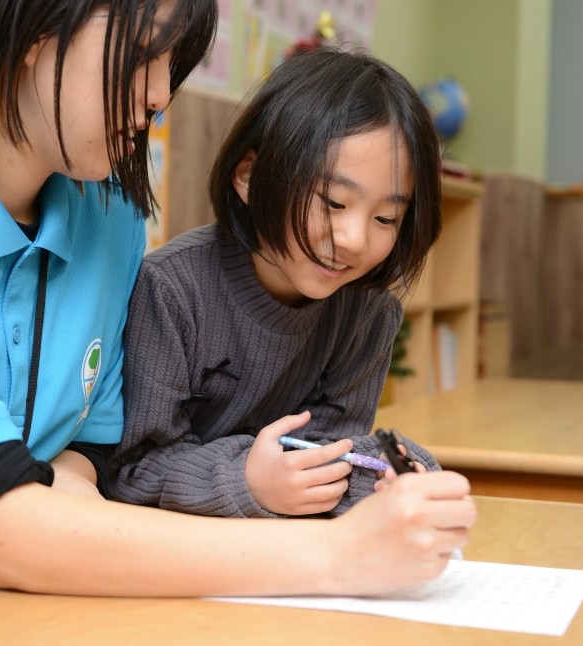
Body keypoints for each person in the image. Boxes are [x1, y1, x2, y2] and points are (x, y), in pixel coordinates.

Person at [0, 0, 475, 606]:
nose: (160, 94)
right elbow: (5, 529)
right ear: (28, 32)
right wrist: (341, 558)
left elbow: (84, 460)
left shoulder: (106, 221)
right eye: (142, 56)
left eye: (174, 64)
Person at [112, 47, 446, 519]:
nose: (353, 239)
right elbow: (132, 470)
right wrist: (248, 480)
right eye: (332, 202)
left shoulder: (368, 314)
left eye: (386, 217)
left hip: (283, 557)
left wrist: (379, 481)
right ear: (249, 176)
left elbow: (328, 453)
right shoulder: (170, 290)